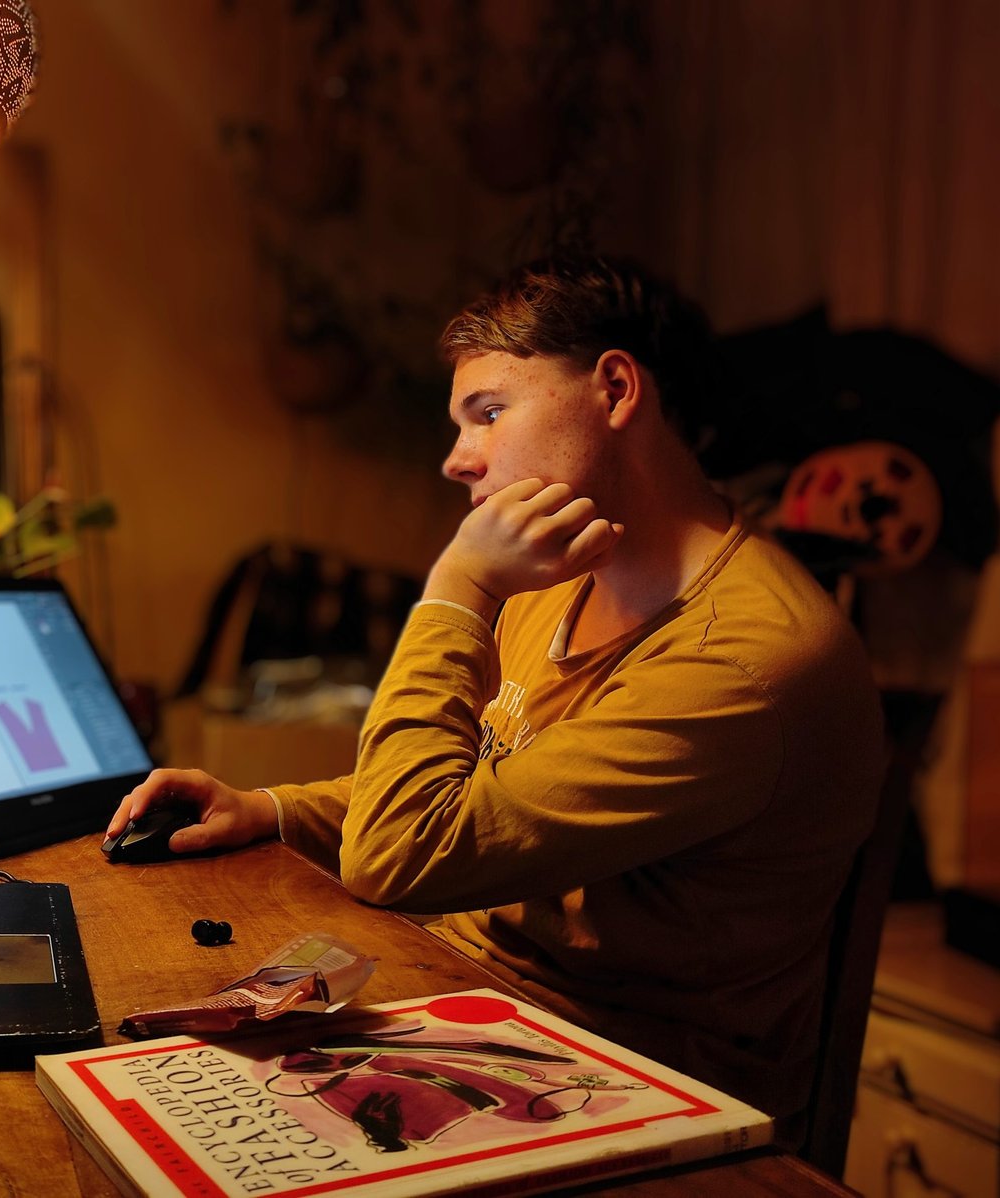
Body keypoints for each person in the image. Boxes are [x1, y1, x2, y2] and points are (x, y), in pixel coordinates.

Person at [107, 257, 887, 1135]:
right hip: (469, 993)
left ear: (616, 389)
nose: (457, 459)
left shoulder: (743, 659)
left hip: (629, 1084)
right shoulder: (567, 575)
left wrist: (459, 587)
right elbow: (480, 793)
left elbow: (402, 855)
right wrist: (272, 809)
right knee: (134, 1053)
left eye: (488, 413)